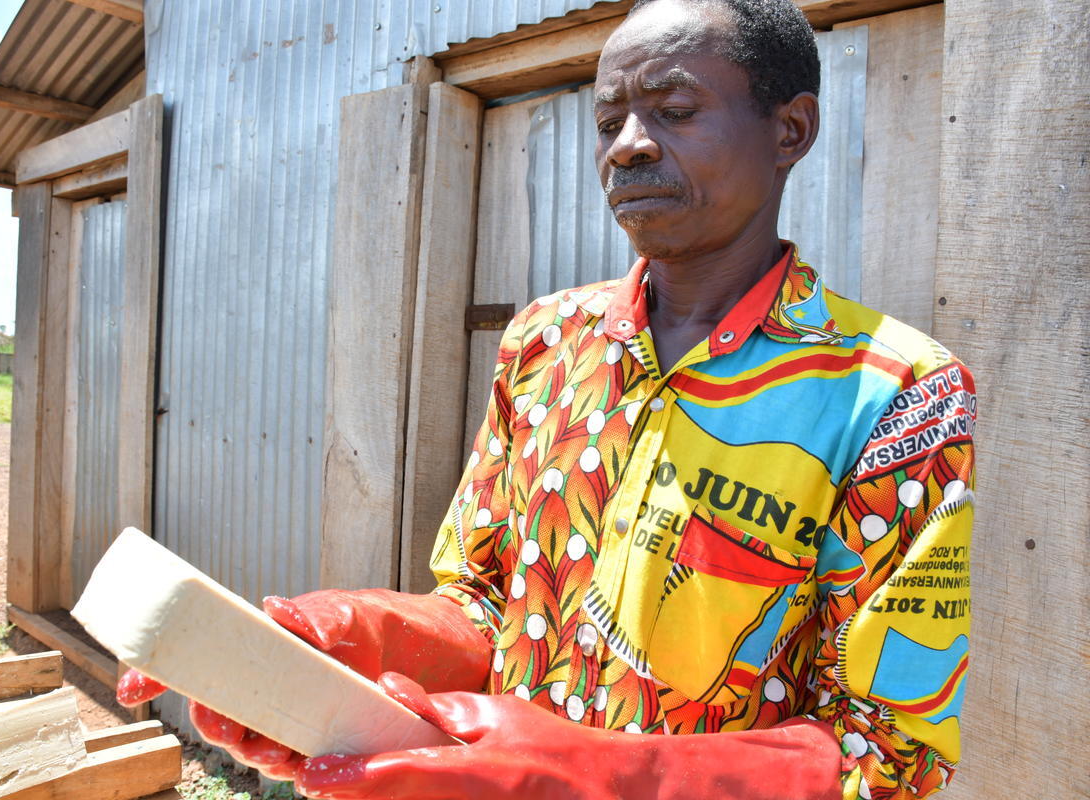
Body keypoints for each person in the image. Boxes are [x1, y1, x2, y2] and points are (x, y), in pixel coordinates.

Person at [120, 1, 975, 797]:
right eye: (609, 122)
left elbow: (888, 753)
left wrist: (591, 773)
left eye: (674, 112)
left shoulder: (896, 394)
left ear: (790, 129)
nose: (627, 146)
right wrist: (353, 634)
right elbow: (487, 604)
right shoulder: (546, 341)